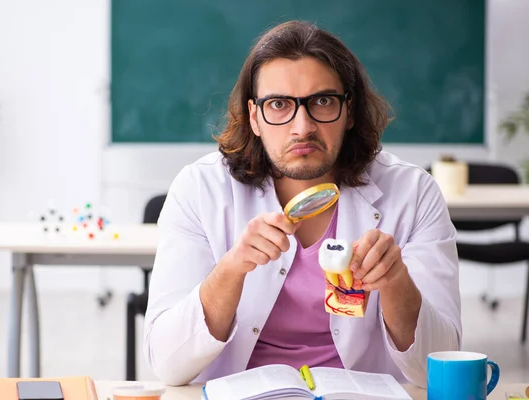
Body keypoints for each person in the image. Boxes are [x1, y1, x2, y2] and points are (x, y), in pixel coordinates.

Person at [143, 20, 461, 388]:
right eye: (279, 105)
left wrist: (396, 281)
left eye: (322, 101)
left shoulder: (414, 193)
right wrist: (231, 269)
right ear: (254, 117)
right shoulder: (200, 189)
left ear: (350, 111)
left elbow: (439, 367)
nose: (302, 127)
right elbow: (167, 364)